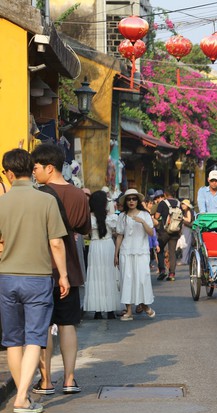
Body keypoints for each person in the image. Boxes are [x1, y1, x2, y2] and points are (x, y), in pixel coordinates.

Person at [0, 149, 69, 413]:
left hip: (6, 278)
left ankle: (24, 395)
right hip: (38, 279)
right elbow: (56, 243)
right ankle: (21, 398)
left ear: (8, 172)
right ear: (32, 170)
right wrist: (63, 275)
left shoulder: (2, 203)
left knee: (13, 340)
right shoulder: (45, 200)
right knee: (34, 338)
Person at [31, 143, 90, 397]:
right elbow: (84, 229)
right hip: (71, 269)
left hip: (42, 267)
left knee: (43, 326)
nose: (34, 173)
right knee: (68, 324)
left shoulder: (39, 194)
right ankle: (69, 379)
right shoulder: (78, 195)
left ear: (49, 167)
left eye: (36, 168)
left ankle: (46, 382)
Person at [114, 189, 156, 321]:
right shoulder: (122, 216)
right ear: (125, 201)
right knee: (127, 279)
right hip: (126, 251)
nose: (131, 201)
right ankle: (129, 311)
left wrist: (142, 222)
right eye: (129, 199)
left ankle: (144, 304)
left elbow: (151, 233)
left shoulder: (144, 214)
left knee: (142, 279)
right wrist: (116, 254)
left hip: (141, 251)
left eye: (134, 199)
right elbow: (120, 235)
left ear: (138, 201)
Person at [84, 191, 119, 320]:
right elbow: (117, 232)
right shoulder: (111, 217)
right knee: (109, 277)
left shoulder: (89, 218)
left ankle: (98, 311)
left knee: (96, 277)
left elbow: (86, 233)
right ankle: (110, 310)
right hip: (108, 246)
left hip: (95, 246)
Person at [154, 189, 181, 281]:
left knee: (159, 249)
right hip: (175, 231)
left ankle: (162, 270)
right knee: (172, 252)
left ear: (165, 194)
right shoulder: (178, 203)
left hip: (164, 231)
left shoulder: (162, 203)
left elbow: (157, 217)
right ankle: (172, 273)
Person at [178, 199, 194, 265]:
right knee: (186, 244)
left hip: (187, 228)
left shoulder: (188, 211)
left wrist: (183, 218)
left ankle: (184, 260)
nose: (183, 205)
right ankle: (186, 260)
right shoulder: (186, 211)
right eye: (182, 204)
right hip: (186, 228)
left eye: (184, 204)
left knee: (185, 244)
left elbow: (189, 220)